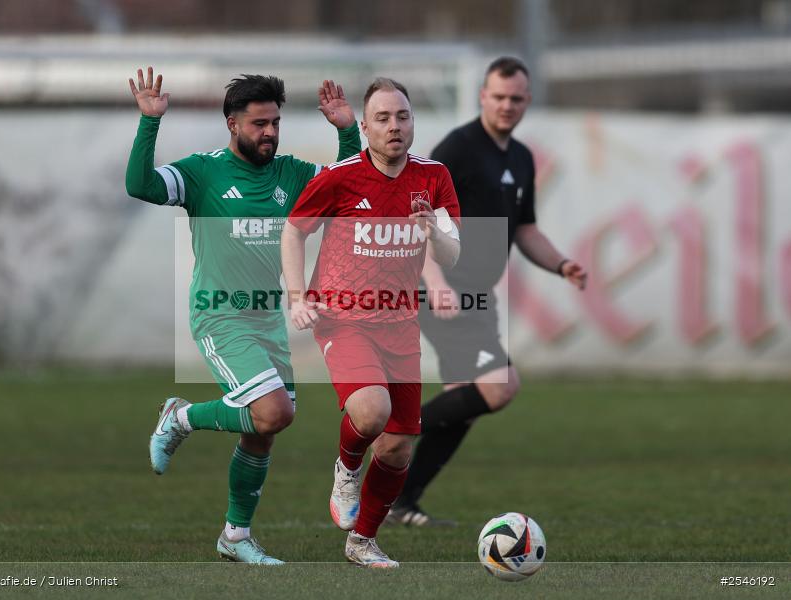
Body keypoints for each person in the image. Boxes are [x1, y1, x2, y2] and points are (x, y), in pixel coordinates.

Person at [125, 67, 360, 563]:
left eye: (275, 122)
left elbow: (349, 186)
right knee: (276, 410)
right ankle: (181, 416)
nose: (270, 132)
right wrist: (149, 123)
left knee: (263, 430)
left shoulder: (292, 173)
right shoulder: (202, 172)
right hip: (220, 316)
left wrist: (346, 130)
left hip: (267, 319)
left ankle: (235, 536)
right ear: (232, 124)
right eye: (259, 124)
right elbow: (140, 185)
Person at [386, 56, 587, 526]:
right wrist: (434, 284)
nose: (507, 105)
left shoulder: (520, 157)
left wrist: (561, 264)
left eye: (516, 98)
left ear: (527, 101)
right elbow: (419, 220)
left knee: (465, 404)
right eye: (498, 96)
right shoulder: (458, 149)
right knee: (499, 386)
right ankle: (392, 433)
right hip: (438, 287)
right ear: (482, 97)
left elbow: (526, 229)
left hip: (477, 295)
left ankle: (400, 501)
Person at [281, 78, 461, 567]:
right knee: (371, 411)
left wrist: (432, 230)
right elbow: (294, 232)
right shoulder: (340, 178)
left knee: (400, 448)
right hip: (343, 318)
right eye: (382, 119)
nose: (394, 127)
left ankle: (362, 541)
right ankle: (346, 467)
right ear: (365, 127)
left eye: (402, 116)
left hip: (400, 322)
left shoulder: (434, 177)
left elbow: (451, 249)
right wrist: (298, 296)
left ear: (412, 122)